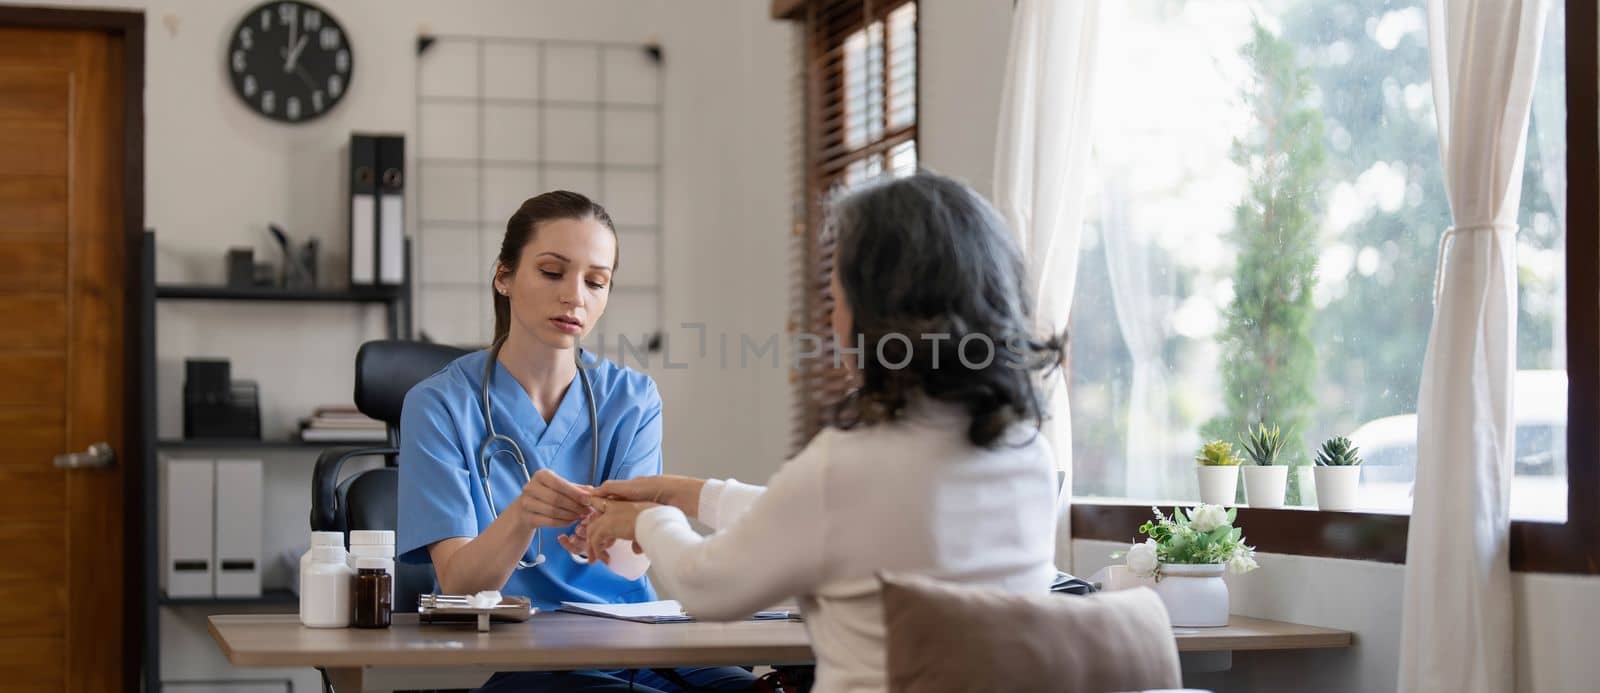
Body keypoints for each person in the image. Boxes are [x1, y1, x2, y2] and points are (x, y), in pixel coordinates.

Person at [570, 172, 1065, 693]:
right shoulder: (1025, 453)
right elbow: (853, 521)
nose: (832, 322)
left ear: (879, 313)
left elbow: (708, 586)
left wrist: (651, 520)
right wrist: (688, 494)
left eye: (837, 299)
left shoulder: (851, 463)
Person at [397, 191, 756, 692]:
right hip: (512, 658)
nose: (575, 297)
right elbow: (460, 587)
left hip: (632, 635)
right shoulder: (438, 405)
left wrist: (612, 532)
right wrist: (522, 515)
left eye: (595, 281)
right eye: (551, 272)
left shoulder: (631, 398)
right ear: (504, 277)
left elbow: (631, 564)